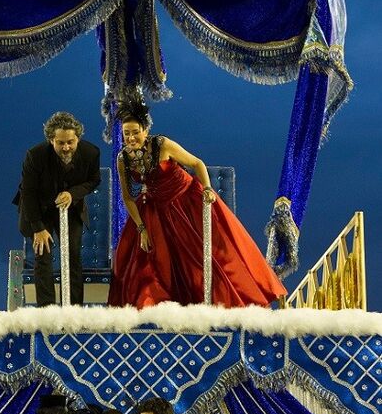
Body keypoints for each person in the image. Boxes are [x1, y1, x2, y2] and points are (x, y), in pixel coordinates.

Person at [109, 96, 286, 308]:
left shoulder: (162, 145)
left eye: (135, 132)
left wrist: (208, 188)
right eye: (126, 133)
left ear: (145, 130)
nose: (130, 138)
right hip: (156, 210)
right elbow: (128, 197)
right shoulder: (123, 159)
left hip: (186, 201)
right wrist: (141, 228)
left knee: (206, 257)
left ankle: (228, 303)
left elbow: (196, 163)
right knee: (148, 265)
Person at [14, 112, 101, 306]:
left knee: (73, 256)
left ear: (78, 138)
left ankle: (73, 312)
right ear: (51, 140)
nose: (66, 147)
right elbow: (28, 192)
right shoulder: (34, 156)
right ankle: (47, 312)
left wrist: (73, 193)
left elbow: (94, 180)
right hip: (39, 209)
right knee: (43, 256)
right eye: (60, 143)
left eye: (70, 142)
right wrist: (38, 228)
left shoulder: (91, 153)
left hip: (71, 208)